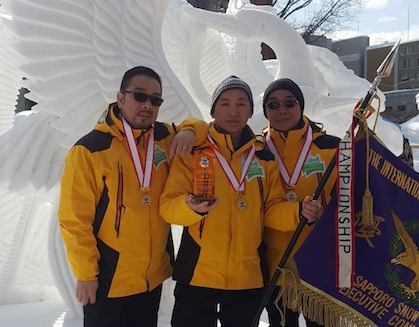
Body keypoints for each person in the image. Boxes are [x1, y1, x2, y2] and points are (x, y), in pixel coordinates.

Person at [160, 75, 322, 327]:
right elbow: (168, 207)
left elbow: (271, 210)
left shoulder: (263, 158)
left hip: (247, 279)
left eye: (241, 104)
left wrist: (298, 211)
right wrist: (190, 207)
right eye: (225, 103)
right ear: (213, 110)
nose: (233, 111)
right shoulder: (194, 151)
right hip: (197, 274)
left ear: (251, 112)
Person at [58, 66, 207, 327]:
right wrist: (85, 274)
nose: (147, 105)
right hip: (108, 280)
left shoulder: (163, 138)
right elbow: (74, 221)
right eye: (140, 96)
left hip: (151, 278)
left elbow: (203, 128)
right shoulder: (90, 149)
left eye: (155, 99)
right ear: (120, 97)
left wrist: (189, 131)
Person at [261, 78, 340, 327]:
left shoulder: (331, 148)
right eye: (273, 104)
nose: (281, 109)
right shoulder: (257, 150)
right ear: (265, 111)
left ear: (301, 106)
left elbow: (349, 201)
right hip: (276, 268)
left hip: (319, 265)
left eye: (289, 102)